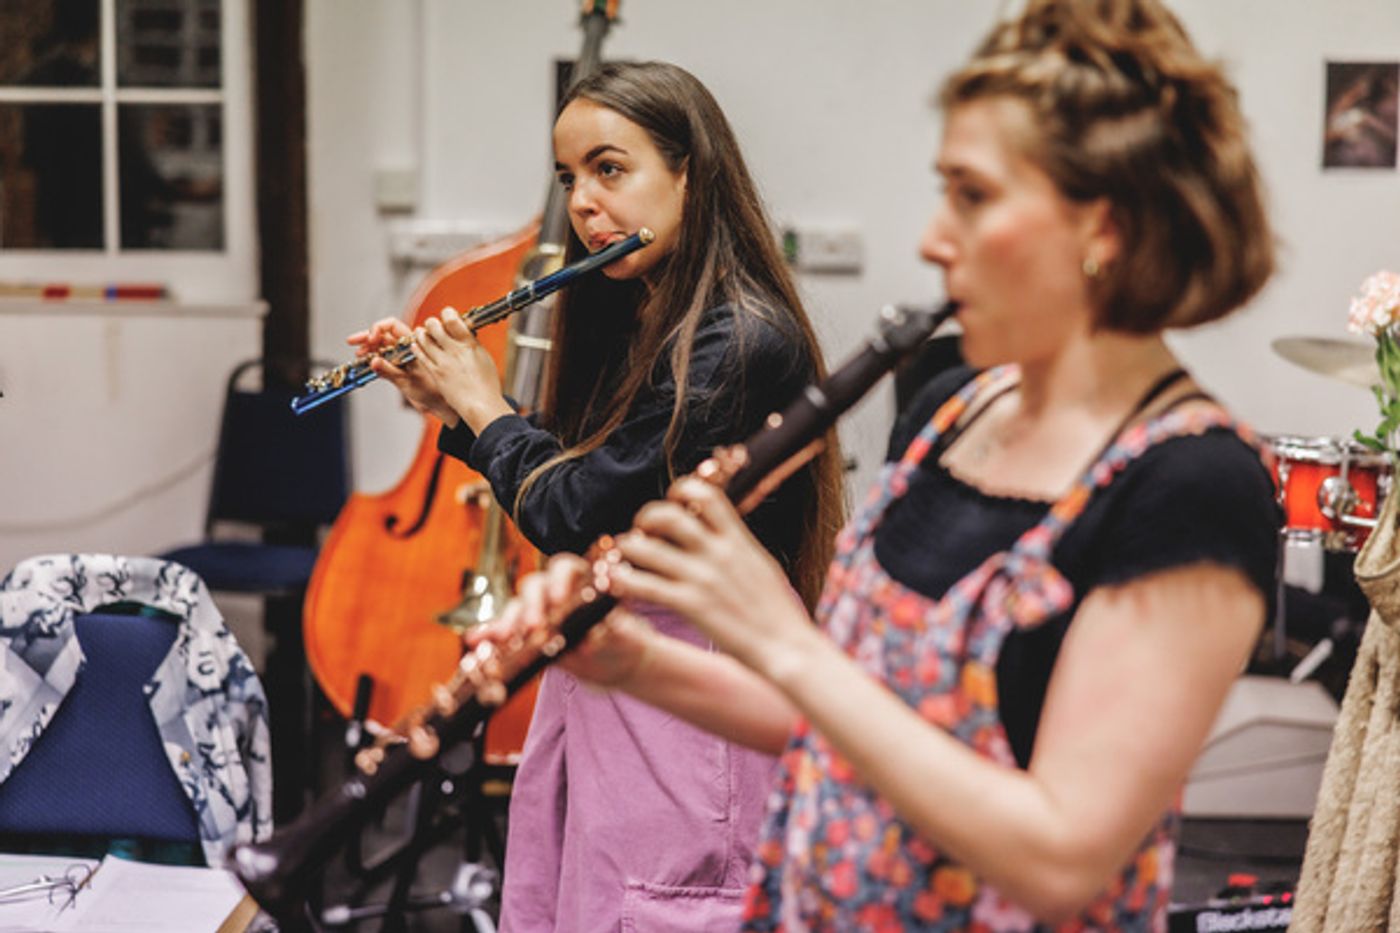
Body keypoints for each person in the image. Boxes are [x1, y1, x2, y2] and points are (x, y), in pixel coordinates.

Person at [487, 1, 1280, 928]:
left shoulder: (1193, 483)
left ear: (1103, 226)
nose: (934, 239)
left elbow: (1063, 854)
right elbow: (847, 723)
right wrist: (632, 662)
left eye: (972, 197)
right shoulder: (955, 408)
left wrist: (782, 643)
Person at [350, 61, 846, 931]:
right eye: (569, 178)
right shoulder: (649, 312)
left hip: (697, 694)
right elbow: (592, 465)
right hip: (621, 678)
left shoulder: (741, 337)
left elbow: (579, 511)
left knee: (662, 907)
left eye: (609, 169)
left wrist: (485, 405)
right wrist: (453, 405)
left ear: (690, 173)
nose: (583, 203)